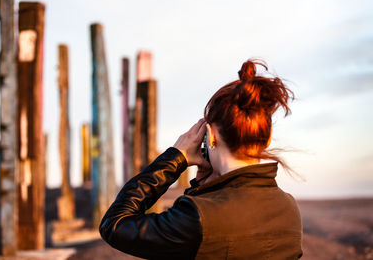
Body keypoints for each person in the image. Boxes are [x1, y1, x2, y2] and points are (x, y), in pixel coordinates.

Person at [99, 59, 303, 259]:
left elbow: (114, 224)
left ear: (211, 136)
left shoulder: (197, 217)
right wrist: (205, 185)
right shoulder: (289, 209)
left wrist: (175, 158)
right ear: (266, 139)